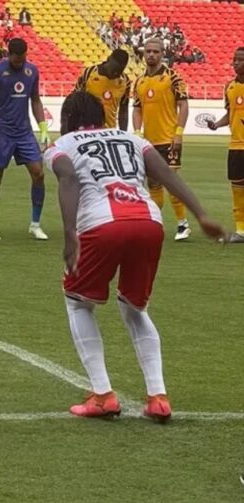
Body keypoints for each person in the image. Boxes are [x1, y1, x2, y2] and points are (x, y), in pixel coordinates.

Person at [46, 91, 224, 421]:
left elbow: (68, 177)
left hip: (101, 225)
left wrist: (70, 233)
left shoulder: (62, 144)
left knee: (78, 303)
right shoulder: (133, 138)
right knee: (134, 307)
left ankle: (103, 396)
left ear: (67, 118)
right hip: (148, 222)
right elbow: (166, 174)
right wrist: (201, 215)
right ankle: (158, 397)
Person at [0, 37, 50, 241]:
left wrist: (43, 127)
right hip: (2, 132)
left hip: (24, 132)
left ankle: (35, 225)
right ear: (9, 54)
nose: (20, 63)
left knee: (39, 174)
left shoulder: (32, 71)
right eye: (17, 59)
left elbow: (35, 100)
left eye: (23, 59)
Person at [133, 38, 191, 241]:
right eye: (148, 51)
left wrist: (179, 133)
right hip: (149, 142)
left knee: (171, 182)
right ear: (143, 54)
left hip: (169, 139)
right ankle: (156, 223)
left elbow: (183, 105)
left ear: (162, 53)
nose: (151, 55)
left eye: (155, 52)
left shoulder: (173, 78)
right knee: (154, 184)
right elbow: (137, 109)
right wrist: (137, 132)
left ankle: (183, 224)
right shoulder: (139, 81)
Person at [206, 47, 244, 243]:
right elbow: (230, 114)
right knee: (237, 189)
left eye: (240, 59)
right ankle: (241, 230)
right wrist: (216, 124)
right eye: (234, 59)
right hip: (236, 146)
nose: (236, 63)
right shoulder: (230, 86)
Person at [75, 49, 131, 130]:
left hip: (109, 131)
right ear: (108, 59)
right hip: (87, 130)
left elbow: (124, 109)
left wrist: (123, 132)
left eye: (119, 71)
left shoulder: (125, 81)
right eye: (114, 70)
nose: (116, 73)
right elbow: (74, 102)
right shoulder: (89, 73)